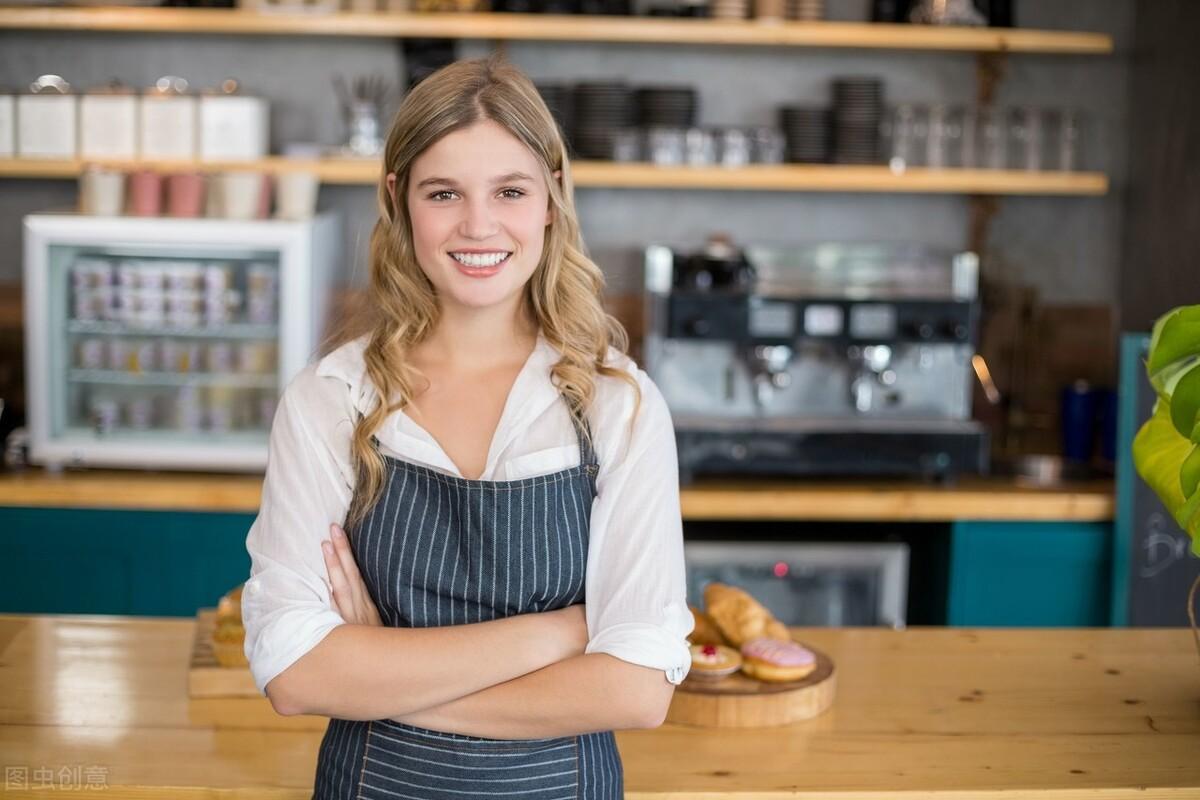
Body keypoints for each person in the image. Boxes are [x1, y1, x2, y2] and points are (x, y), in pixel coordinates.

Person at [241, 55, 693, 800]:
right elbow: (294, 673)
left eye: (510, 191)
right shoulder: (332, 400)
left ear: (551, 199)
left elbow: (637, 692)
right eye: (443, 193)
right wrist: (561, 634)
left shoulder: (617, 405)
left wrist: (379, 668)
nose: (478, 226)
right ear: (399, 200)